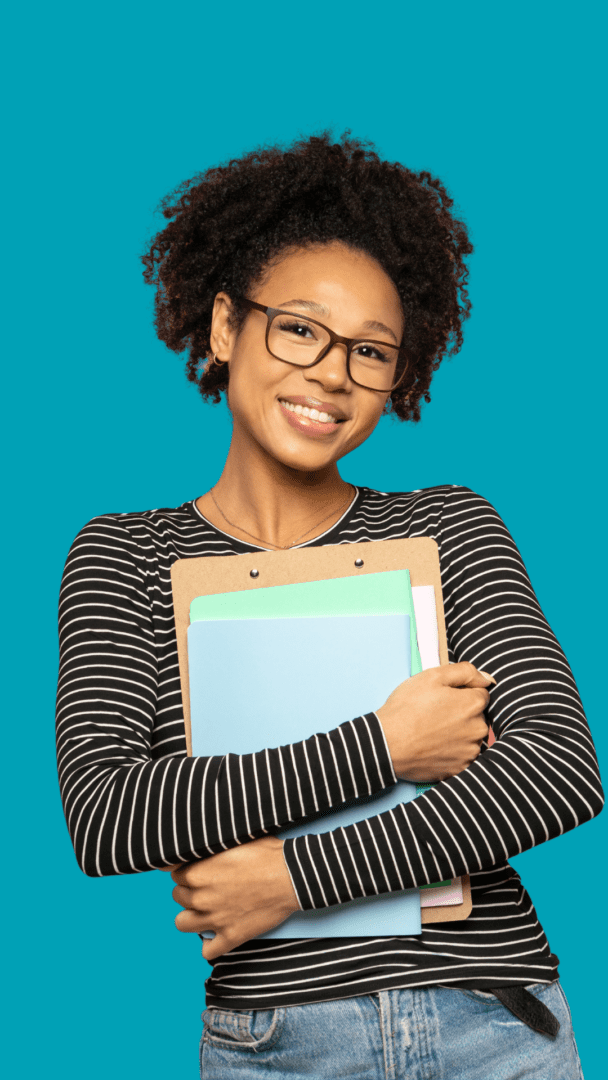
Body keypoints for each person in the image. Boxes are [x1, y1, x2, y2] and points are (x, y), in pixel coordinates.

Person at [56, 133, 602, 1079]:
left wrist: (291, 880)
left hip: (494, 1023)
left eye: (371, 352)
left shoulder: (451, 528)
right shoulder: (126, 558)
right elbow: (110, 816)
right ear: (226, 327)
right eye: (299, 329)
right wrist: (387, 745)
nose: (332, 374)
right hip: (278, 1044)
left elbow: (558, 769)